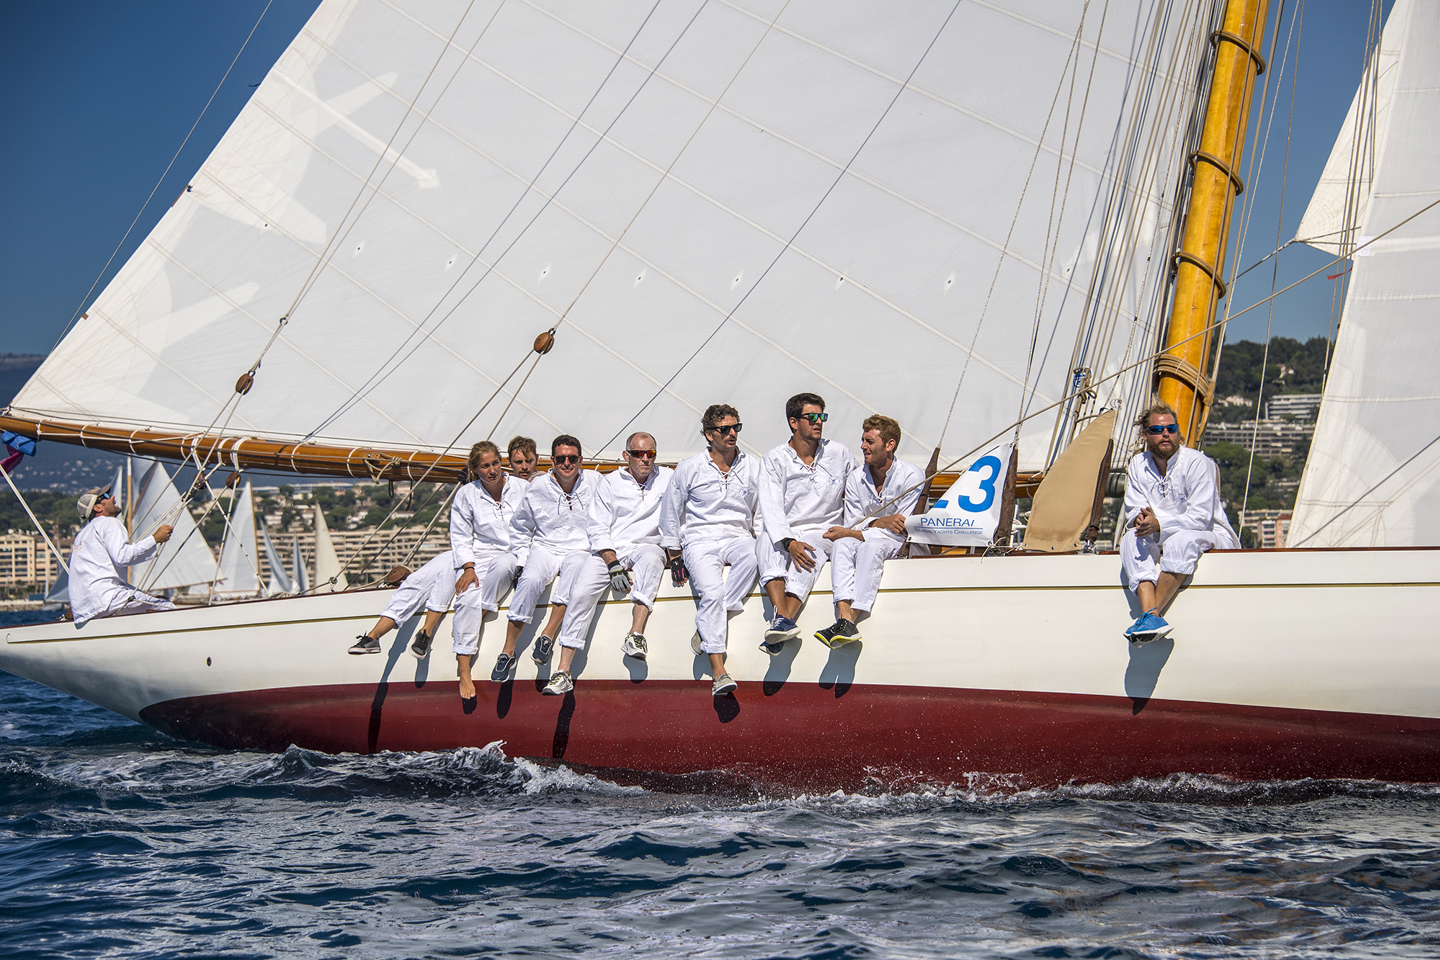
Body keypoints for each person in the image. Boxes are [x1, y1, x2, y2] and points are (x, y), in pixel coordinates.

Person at [540, 432, 673, 695]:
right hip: (610, 550)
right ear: (626, 456)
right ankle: (563, 671)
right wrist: (612, 564)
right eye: (638, 454)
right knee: (580, 593)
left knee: (653, 557)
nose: (645, 459)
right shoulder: (609, 482)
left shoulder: (669, 477)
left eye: (650, 454)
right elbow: (597, 527)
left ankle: (635, 635)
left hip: (646, 546)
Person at [659, 404, 760, 697]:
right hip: (700, 539)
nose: (732, 433)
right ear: (708, 434)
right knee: (712, 593)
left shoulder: (753, 466)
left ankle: (707, 624)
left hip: (739, 535)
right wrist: (674, 556)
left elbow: (761, 510)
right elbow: (670, 512)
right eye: (725, 429)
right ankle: (718, 672)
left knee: (756, 555)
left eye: (736, 427)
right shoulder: (689, 467)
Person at [1120, 401, 1239, 641]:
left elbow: (1200, 518)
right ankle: (1151, 619)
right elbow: (1133, 508)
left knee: (1181, 541)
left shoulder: (1197, 463)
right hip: (1159, 535)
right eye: (1157, 430)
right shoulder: (1138, 464)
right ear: (1145, 435)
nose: (1165, 434)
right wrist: (1140, 520)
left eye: (1171, 429)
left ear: (1177, 432)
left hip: (1210, 534)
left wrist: (1160, 524)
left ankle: (1150, 615)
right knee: (1131, 539)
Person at [490, 435, 597, 684]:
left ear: (581, 460)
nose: (567, 463)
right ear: (552, 460)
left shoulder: (595, 481)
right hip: (545, 547)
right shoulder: (537, 486)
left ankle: (547, 635)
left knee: (574, 575)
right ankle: (507, 652)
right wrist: (522, 560)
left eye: (572, 458)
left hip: (580, 549)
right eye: (561, 459)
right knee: (529, 580)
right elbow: (520, 526)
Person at [816, 414, 925, 647]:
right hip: (869, 536)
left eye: (869, 441)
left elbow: (900, 528)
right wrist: (880, 522)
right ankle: (844, 617)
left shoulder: (911, 475)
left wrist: (862, 529)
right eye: (863, 440)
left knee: (871, 546)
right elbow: (854, 523)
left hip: (901, 543)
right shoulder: (856, 478)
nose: (863, 446)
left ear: (890, 445)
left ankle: (850, 619)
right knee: (842, 544)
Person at [757, 392, 853, 654]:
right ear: (793, 422)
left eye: (821, 416)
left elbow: (858, 489)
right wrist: (789, 542)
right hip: (787, 529)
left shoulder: (839, 453)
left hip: (826, 530)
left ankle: (783, 622)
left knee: (809, 549)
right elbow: (770, 505)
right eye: (811, 417)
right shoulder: (774, 458)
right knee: (765, 539)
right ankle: (781, 617)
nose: (818, 422)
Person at [449, 440, 527, 698]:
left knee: (506, 565)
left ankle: (475, 618)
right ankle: (464, 671)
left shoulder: (522, 487)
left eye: (495, 463)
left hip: (517, 553)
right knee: (467, 596)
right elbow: (460, 534)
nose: (492, 470)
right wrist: (468, 567)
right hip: (480, 556)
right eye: (485, 466)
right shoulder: (466, 494)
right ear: (475, 469)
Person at [68, 485, 176, 625]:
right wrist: (155, 539)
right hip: (107, 599)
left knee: (152, 605)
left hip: (86, 608)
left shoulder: (82, 534)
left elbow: (103, 575)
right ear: (98, 508)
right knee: (167, 607)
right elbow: (123, 557)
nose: (113, 497)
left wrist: (144, 595)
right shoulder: (109, 522)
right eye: (106, 496)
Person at [347, 550, 455, 658]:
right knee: (415, 580)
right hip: (458, 551)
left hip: (464, 558)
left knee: (445, 585)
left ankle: (425, 633)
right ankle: (373, 637)